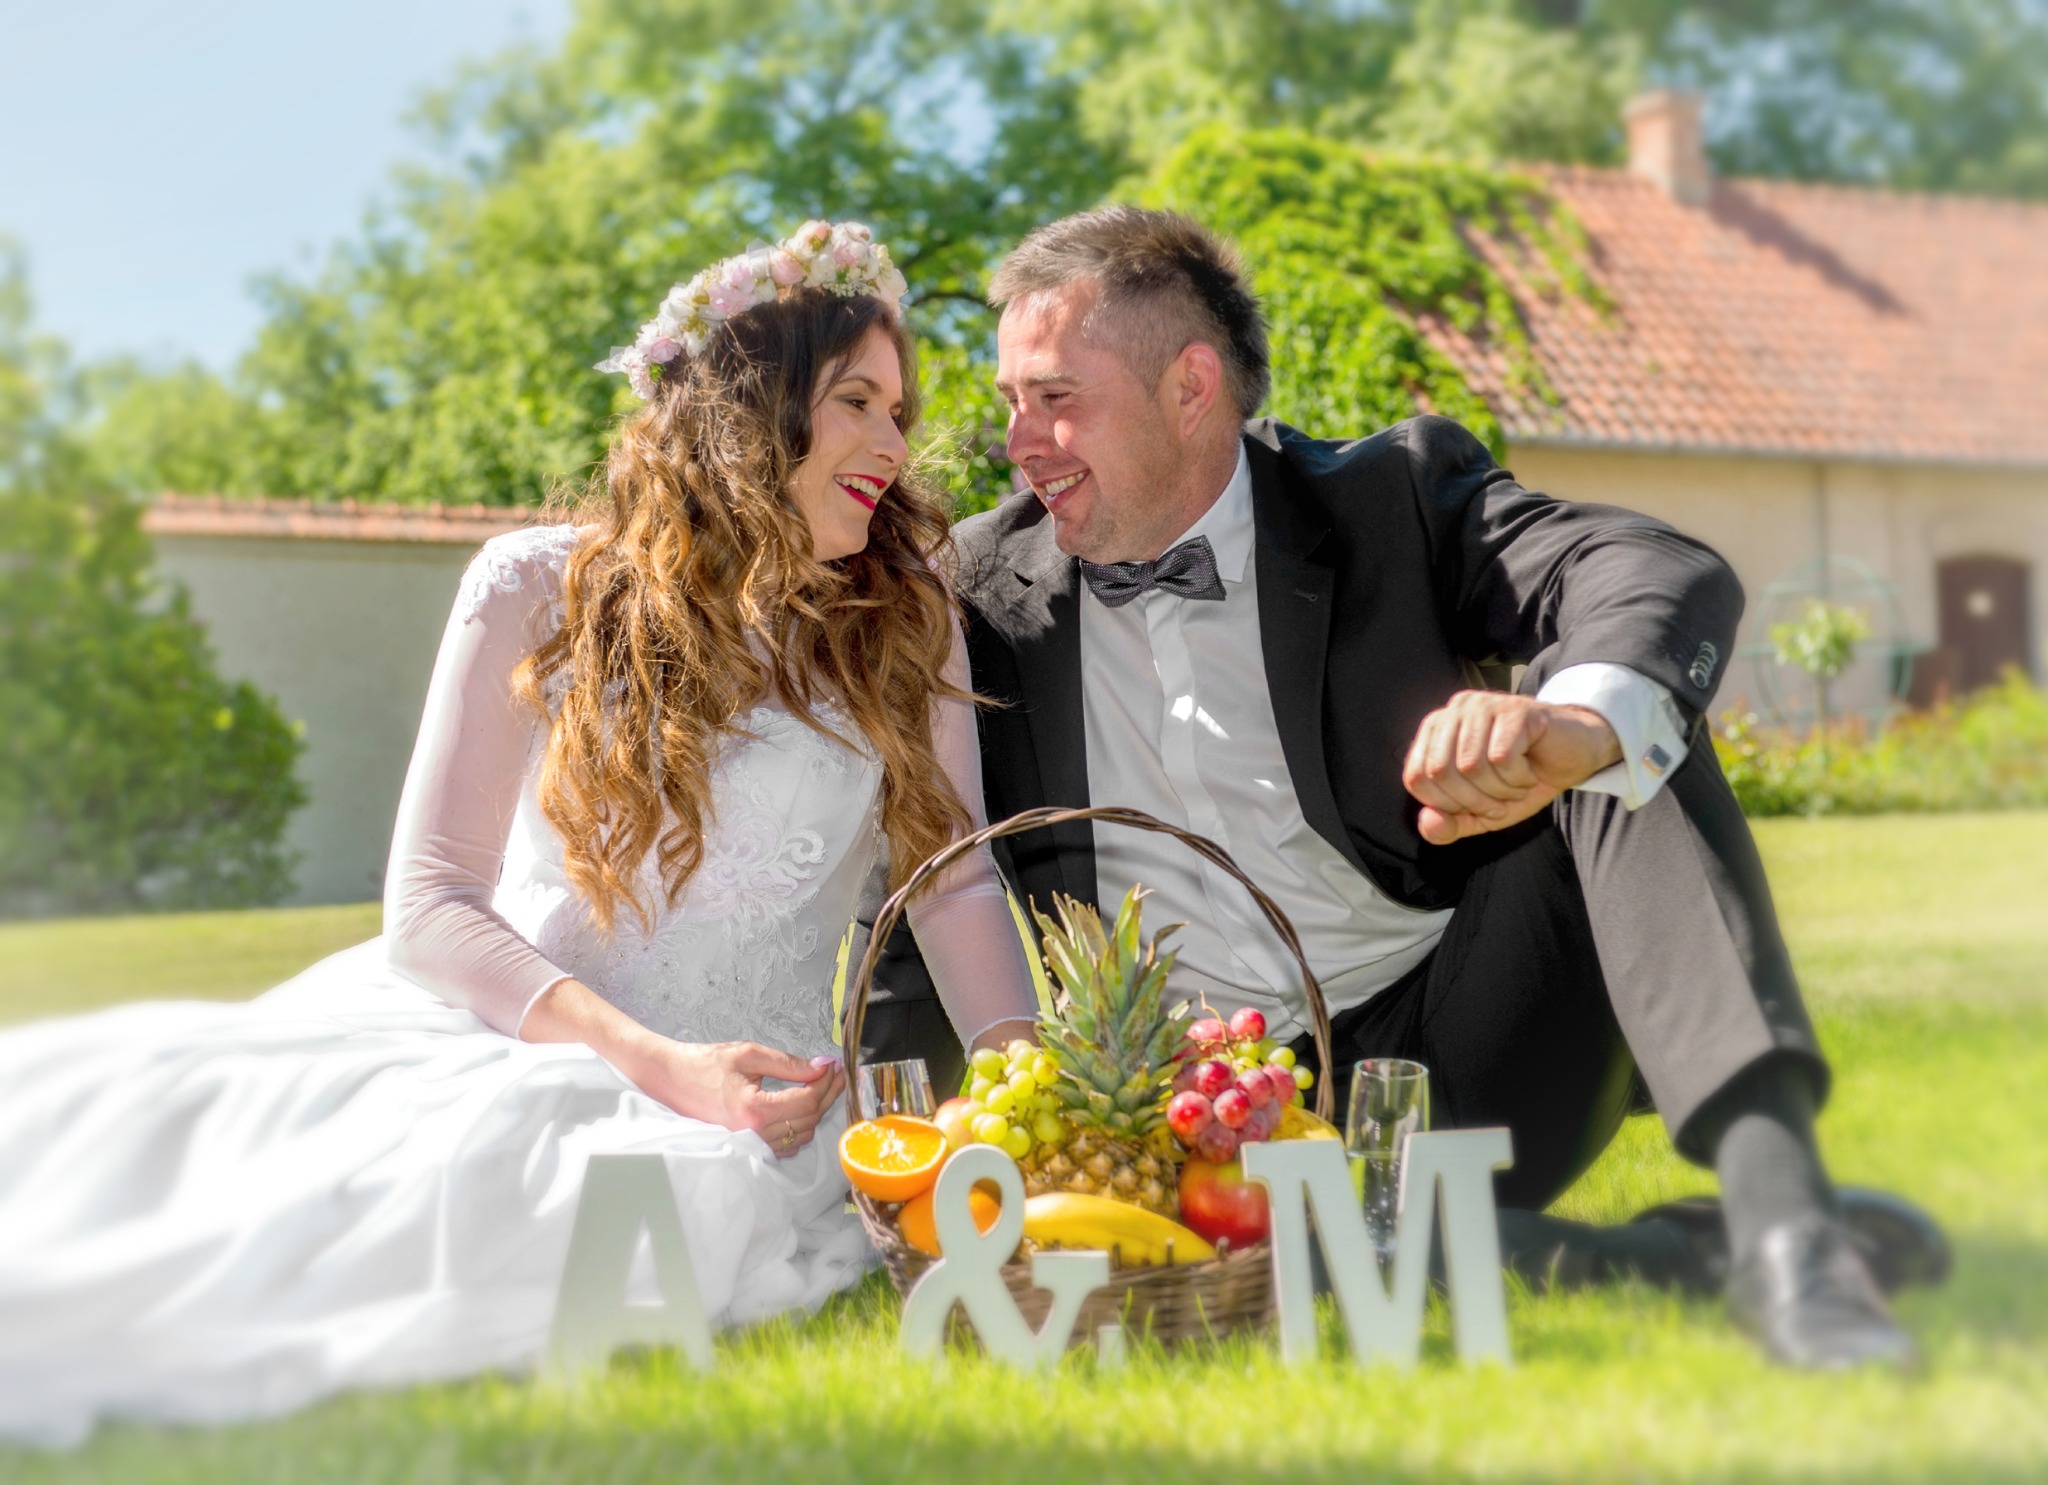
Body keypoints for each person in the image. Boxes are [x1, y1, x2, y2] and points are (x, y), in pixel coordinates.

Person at [0, 221, 1039, 1448]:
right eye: (857, 400)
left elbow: (952, 884)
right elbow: (431, 904)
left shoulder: (904, 617)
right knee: (303, 1242)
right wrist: (654, 1065)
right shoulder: (534, 587)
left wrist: (1032, 1092)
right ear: (746, 413)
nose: (894, 442)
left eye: (900, 411)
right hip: (541, 1042)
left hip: (780, 1106)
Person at [865, 205, 1947, 1370]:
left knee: (1623, 729)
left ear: (1190, 387)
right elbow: (931, 868)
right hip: (1188, 1113)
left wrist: (1568, 723)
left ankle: (1785, 1222)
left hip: (1474, 1032)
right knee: (1298, 1262)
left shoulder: (1390, 497)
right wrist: (910, 1176)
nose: (1016, 439)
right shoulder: (972, 592)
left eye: (1054, 396)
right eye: (1011, 400)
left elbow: (1644, 568)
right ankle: (1675, 1260)